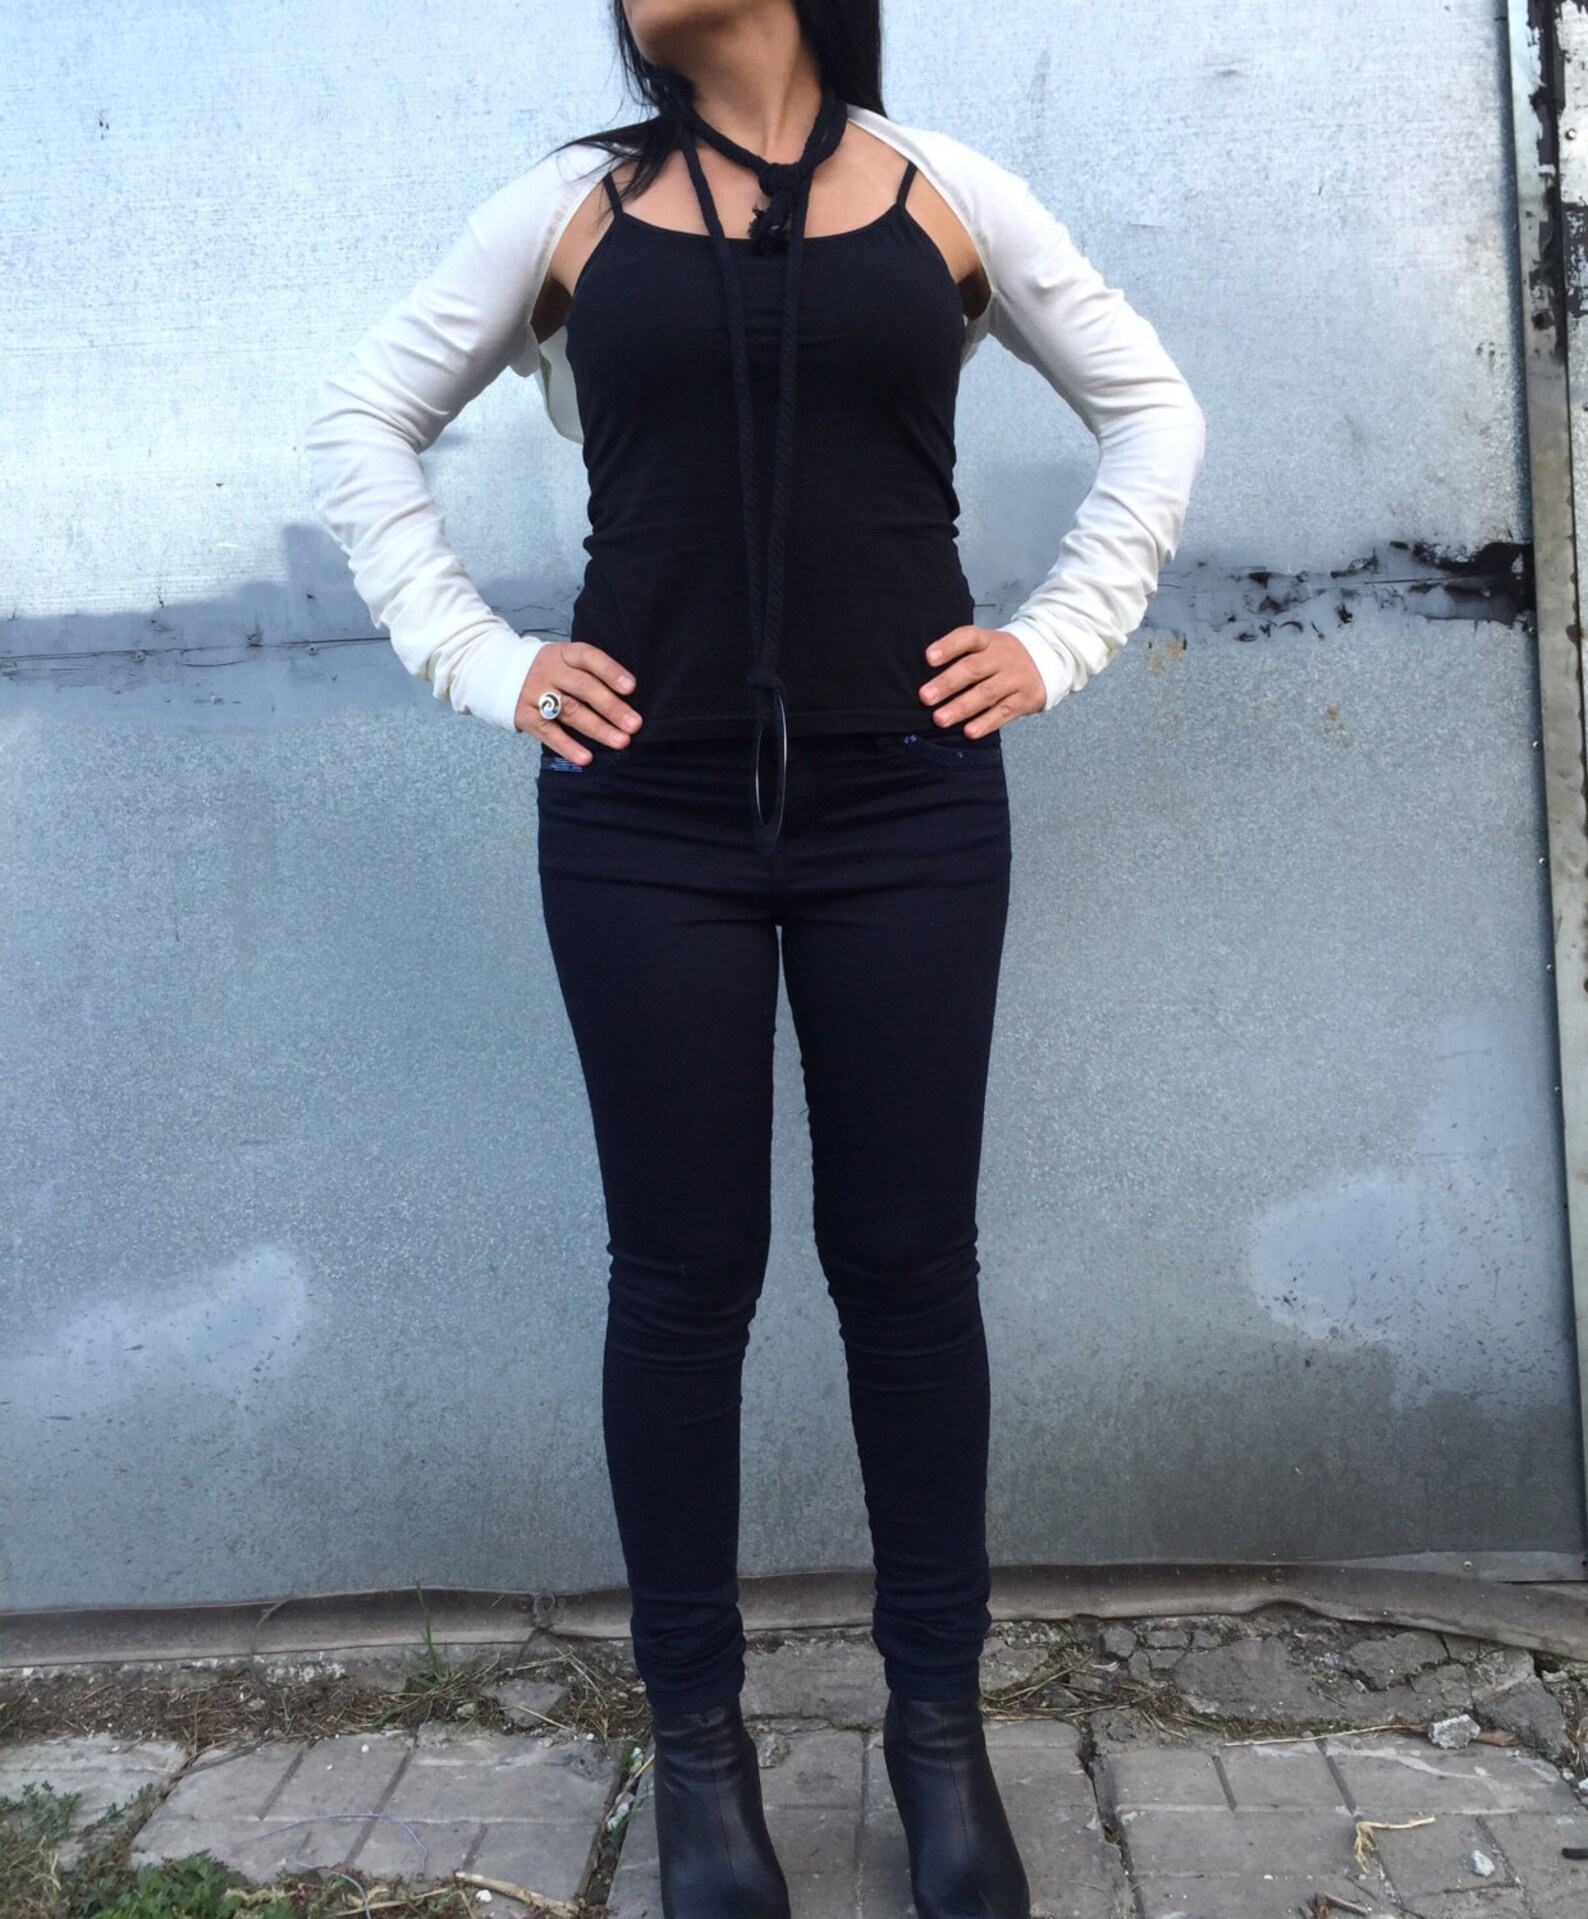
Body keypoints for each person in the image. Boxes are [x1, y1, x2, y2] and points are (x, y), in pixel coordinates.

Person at [306, 3, 1205, 1913]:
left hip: (908, 811)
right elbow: (363, 422)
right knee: (680, 1281)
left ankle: (939, 1738)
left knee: (910, 1272)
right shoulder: (571, 208)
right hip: (646, 822)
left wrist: (1056, 637)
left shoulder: (945, 192)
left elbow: (1154, 409)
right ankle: (700, 1758)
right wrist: (485, 660)